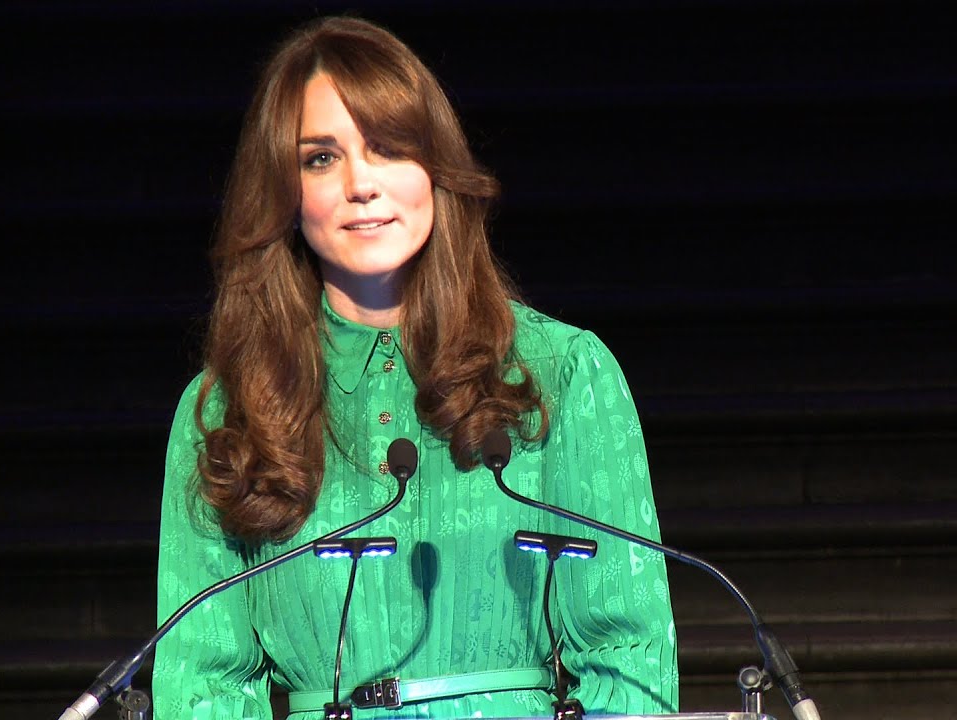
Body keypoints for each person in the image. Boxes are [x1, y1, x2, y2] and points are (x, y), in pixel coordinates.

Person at [152, 15, 677, 720]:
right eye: (320, 158)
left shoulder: (563, 373)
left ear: (436, 168)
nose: (359, 184)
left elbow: (629, 661)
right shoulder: (224, 411)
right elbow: (201, 687)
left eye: (388, 147)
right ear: (283, 192)